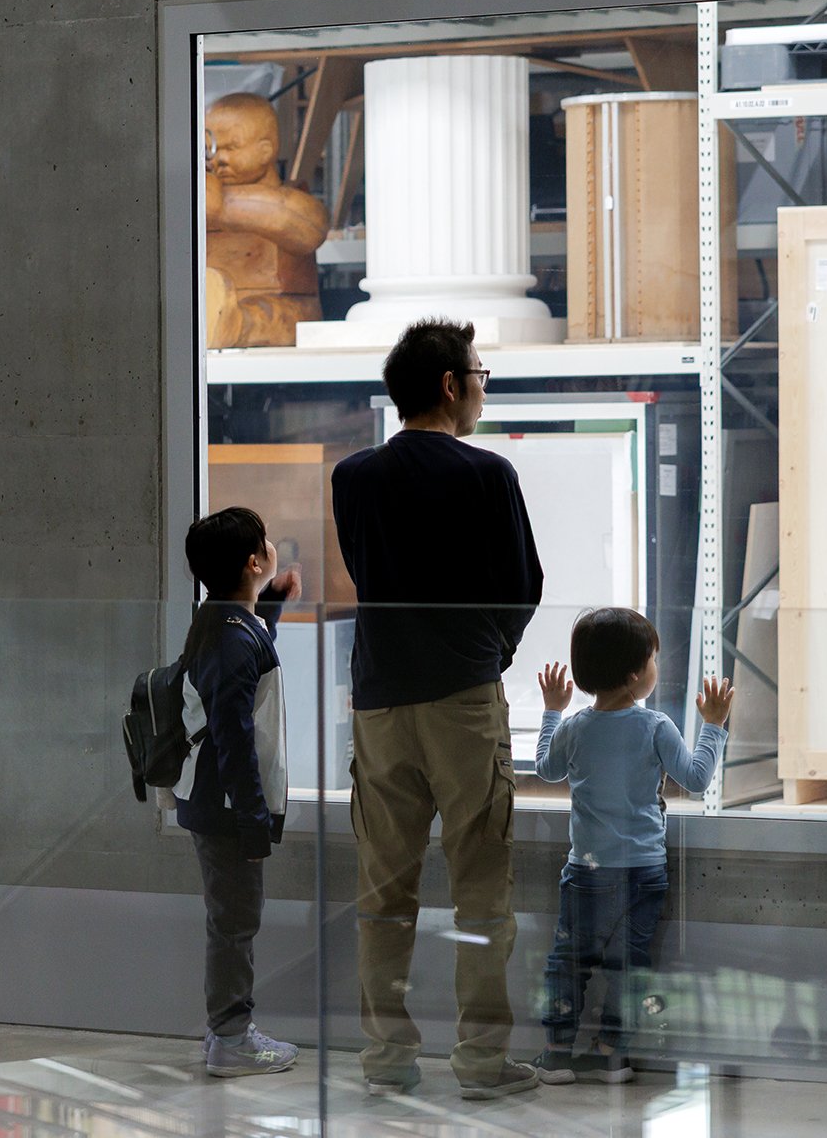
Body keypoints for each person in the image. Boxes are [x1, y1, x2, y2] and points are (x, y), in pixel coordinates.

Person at [330, 318, 545, 1100]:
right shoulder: (488, 476)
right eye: (482, 376)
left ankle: (387, 1057)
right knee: (481, 882)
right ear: (451, 387)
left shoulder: (353, 478)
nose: (484, 389)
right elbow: (522, 588)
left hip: (380, 705)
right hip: (462, 703)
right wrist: (490, 654)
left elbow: (363, 573)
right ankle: (482, 1061)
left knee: (382, 890)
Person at [530, 608, 733, 1084]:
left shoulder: (575, 728)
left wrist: (551, 711)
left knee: (569, 960)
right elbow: (697, 779)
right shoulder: (654, 726)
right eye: (654, 660)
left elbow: (545, 768)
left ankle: (557, 1052)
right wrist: (714, 725)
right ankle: (609, 1054)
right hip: (643, 871)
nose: (656, 668)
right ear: (635, 675)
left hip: (587, 871)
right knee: (629, 965)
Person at [173, 506, 304, 1077]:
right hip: (226, 808)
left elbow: (243, 661)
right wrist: (254, 821)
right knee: (236, 921)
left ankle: (226, 1029)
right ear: (254, 561)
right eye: (266, 543)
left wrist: (269, 604)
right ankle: (231, 1037)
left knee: (229, 918)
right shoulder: (233, 638)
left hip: (214, 802)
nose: (273, 547)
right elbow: (233, 732)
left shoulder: (221, 618)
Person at [203, 92, 328, 348]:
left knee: (263, 316)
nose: (219, 159)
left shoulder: (289, 198)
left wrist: (223, 206)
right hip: (211, 301)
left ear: (265, 151)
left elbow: (309, 228)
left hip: (283, 305)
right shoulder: (206, 194)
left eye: (231, 148)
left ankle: (229, 323)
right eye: (212, 150)